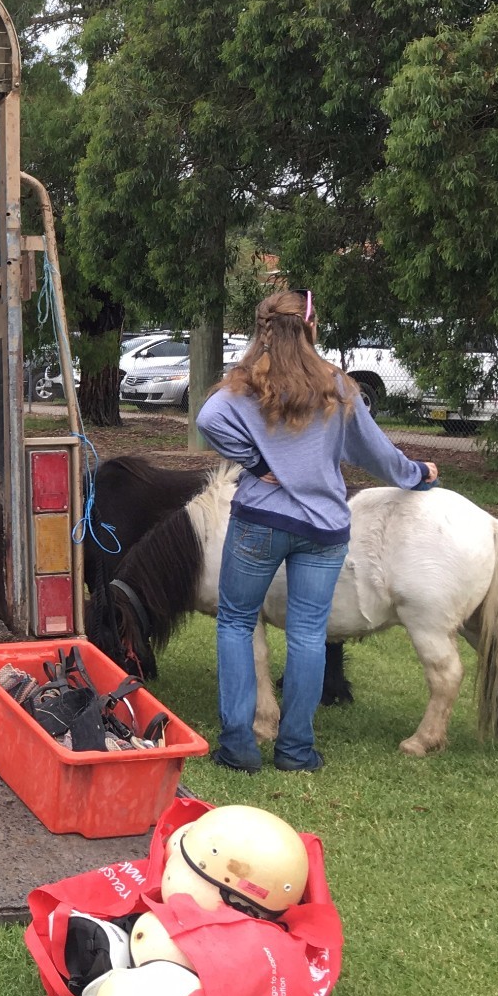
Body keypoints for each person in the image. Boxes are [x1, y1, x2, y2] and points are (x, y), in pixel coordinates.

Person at [194, 290, 438, 773]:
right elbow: (377, 453)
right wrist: (417, 473)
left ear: (260, 328)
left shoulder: (244, 386)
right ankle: (296, 750)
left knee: (237, 624)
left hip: (259, 523)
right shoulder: (338, 386)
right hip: (323, 528)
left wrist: (257, 460)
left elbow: (207, 419)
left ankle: (239, 746)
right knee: (308, 636)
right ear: (311, 326)